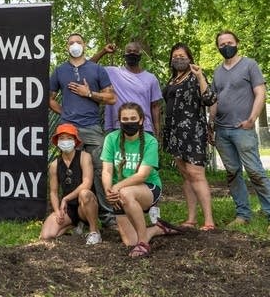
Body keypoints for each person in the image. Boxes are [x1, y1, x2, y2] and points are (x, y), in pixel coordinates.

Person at [49, 33, 117, 228]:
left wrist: (89, 93)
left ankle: (108, 216)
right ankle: (76, 216)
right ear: (66, 47)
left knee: (101, 169)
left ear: (84, 45)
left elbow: (111, 98)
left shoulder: (97, 69)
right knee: (72, 172)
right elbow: (50, 98)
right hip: (68, 129)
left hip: (92, 127)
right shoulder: (60, 71)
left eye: (78, 42)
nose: (75, 45)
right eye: (71, 43)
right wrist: (65, 113)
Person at [101, 102, 182, 258]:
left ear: (141, 120)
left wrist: (117, 187)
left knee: (125, 193)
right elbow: (106, 170)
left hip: (148, 189)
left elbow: (142, 175)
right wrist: (109, 191)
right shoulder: (111, 138)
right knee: (130, 242)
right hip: (121, 192)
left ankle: (144, 243)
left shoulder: (150, 141)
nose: (129, 122)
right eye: (125, 119)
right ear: (119, 121)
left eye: (133, 118)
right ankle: (157, 229)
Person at [209, 30, 270, 227]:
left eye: (229, 42)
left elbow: (260, 93)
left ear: (237, 43)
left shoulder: (249, 65)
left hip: (243, 128)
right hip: (222, 130)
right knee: (232, 173)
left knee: (255, 171)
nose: (226, 46)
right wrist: (211, 123)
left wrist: (251, 119)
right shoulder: (217, 72)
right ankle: (243, 214)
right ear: (218, 47)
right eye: (222, 44)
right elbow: (214, 100)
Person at [163, 43, 216, 230]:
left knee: (196, 174)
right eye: (175, 55)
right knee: (186, 175)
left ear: (189, 58)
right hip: (174, 133)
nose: (178, 58)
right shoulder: (172, 80)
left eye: (182, 55)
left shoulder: (195, 76)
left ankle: (209, 220)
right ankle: (191, 218)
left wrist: (200, 75)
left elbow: (209, 99)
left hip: (193, 131)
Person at [40, 123, 101, 245]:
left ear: (75, 141)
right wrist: (57, 211)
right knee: (46, 235)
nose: (65, 141)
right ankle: (74, 226)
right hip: (69, 209)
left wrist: (66, 199)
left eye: (69, 138)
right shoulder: (54, 165)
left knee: (84, 194)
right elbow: (53, 192)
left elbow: (87, 183)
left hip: (85, 204)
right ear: (57, 141)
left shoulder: (84, 157)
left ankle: (94, 231)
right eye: (62, 138)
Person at [91, 42, 163, 138]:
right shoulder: (112, 72)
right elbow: (88, 67)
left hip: (144, 128)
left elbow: (155, 107)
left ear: (140, 55)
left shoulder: (151, 79)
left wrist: (157, 132)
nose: (132, 54)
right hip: (117, 127)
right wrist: (104, 51)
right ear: (124, 55)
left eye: (135, 52)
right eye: (129, 51)